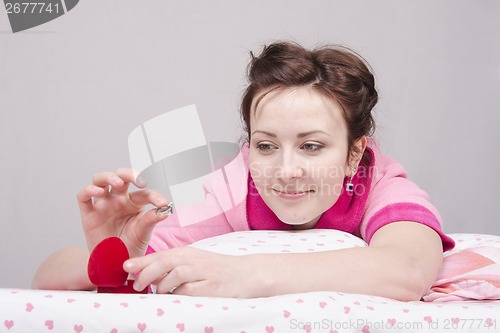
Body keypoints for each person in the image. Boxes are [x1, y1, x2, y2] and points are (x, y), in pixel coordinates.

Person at [32, 41, 455, 301]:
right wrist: (110, 256)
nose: (285, 171)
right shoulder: (232, 191)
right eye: (266, 146)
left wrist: (247, 273)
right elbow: (45, 276)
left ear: (353, 153)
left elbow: (408, 269)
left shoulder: (377, 183)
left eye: (311, 146)